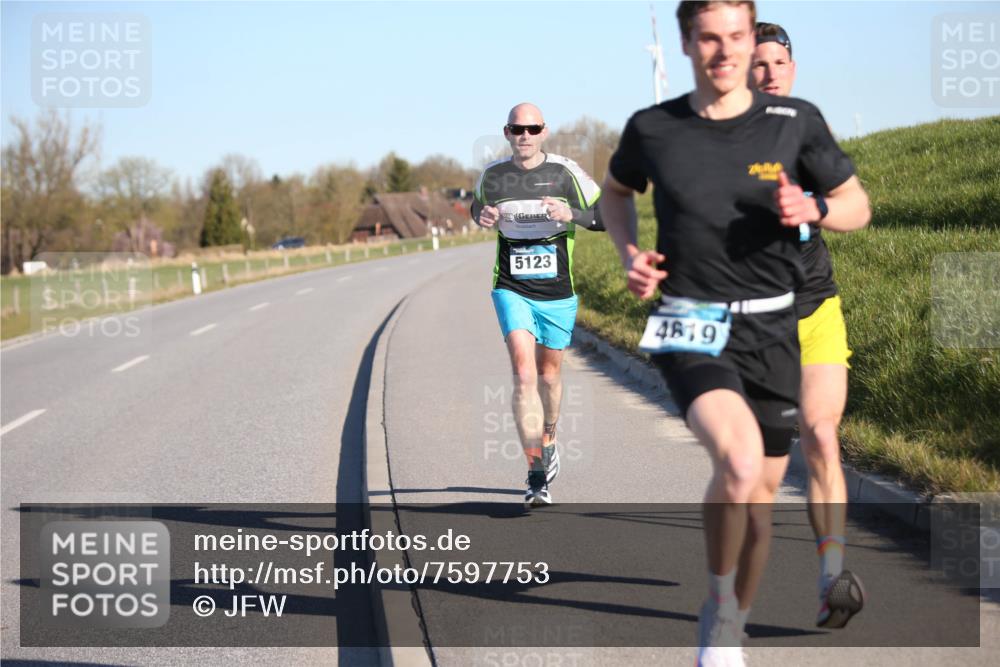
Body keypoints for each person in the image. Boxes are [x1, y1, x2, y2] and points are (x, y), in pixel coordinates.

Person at [598, 2, 870, 664]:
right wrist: (630, 255)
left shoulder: (794, 122)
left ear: (753, 41)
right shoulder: (653, 128)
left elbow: (858, 205)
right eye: (709, 39)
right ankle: (722, 613)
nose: (725, 51)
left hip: (776, 323)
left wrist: (819, 206)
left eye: (737, 37)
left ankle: (734, 610)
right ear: (687, 44)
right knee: (741, 462)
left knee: (761, 503)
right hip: (692, 320)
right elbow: (614, 193)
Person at [744, 20, 867, 630]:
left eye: (779, 63)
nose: (769, 74)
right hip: (754, 323)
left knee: (820, 435)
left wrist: (815, 206)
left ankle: (830, 577)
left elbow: (858, 208)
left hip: (815, 307)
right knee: (760, 466)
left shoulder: (807, 132)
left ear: (792, 69)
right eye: (758, 64)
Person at [471, 103, 603, 507]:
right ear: (507, 133)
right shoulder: (493, 176)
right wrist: (483, 214)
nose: (524, 135)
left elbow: (606, 215)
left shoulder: (565, 172)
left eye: (532, 128)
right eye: (517, 128)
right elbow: (476, 205)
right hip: (511, 286)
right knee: (524, 372)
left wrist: (574, 213)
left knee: (548, 377)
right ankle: (534, 474)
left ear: (544, 132)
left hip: (558, 291)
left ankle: (549, 435)